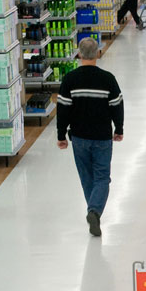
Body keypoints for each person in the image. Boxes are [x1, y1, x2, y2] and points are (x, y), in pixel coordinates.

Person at [57, 38, 125, 237]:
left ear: (78, 54)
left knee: (87, 177)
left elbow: (63, 109)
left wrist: (61, 135)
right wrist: (119, 129)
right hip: (102, 137)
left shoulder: (70, 79)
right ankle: (94, 211)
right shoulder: (108, 79)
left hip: (79, 137)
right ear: (98, 54)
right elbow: (117, 106)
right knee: (102, 177)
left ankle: (93, 212)